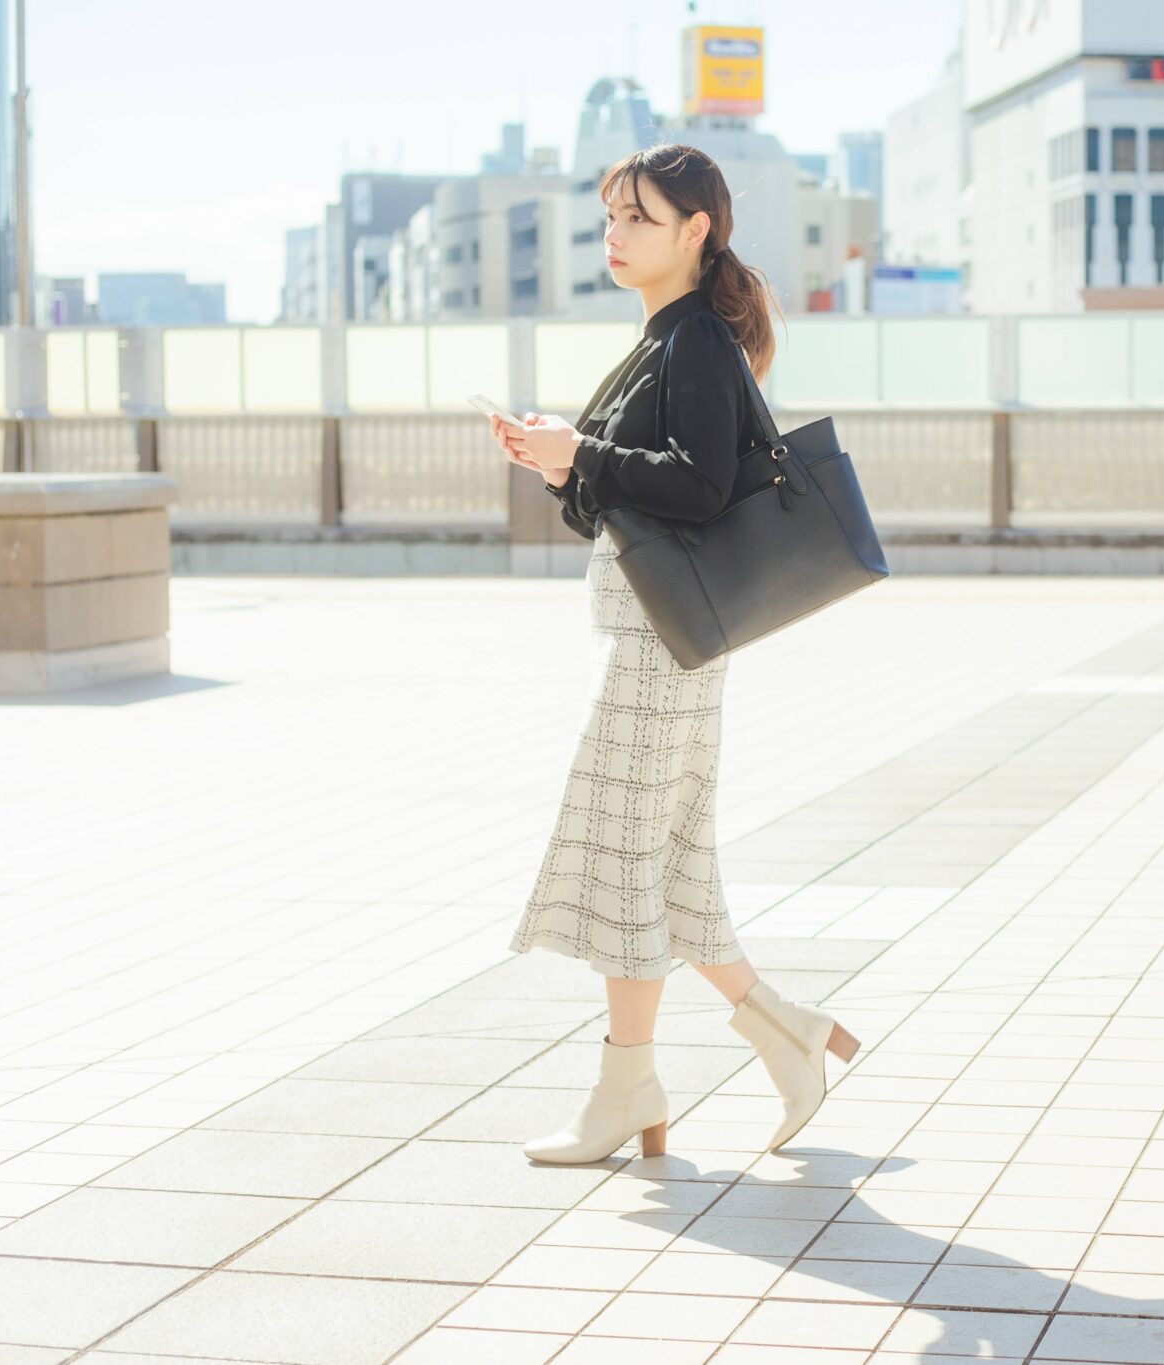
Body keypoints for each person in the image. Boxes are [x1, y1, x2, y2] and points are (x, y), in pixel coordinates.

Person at [485, 144, 859, 1165]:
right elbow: (632, 494)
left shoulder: (694, 340)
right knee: (669, 870)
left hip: (662, 648)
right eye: (610, 215)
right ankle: (787, 1036)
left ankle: (627, 1087)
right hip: (662, 638)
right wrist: (562, 463)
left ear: (696, 231)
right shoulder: (666, 341)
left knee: (621, 861)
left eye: (639, 218)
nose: (616, 234)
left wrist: (585, 455)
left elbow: (697, 488)